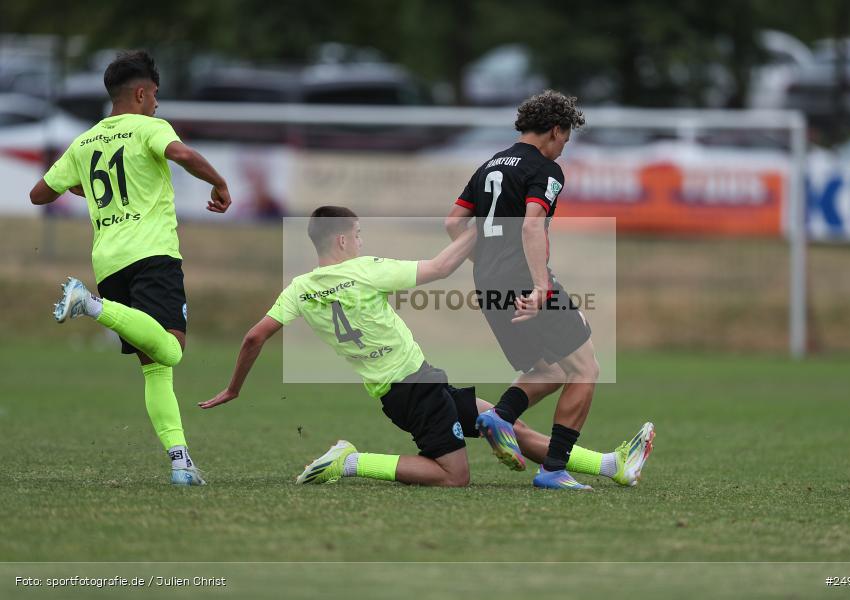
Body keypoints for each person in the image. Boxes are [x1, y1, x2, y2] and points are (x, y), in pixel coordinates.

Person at [199, 206, 642, 489]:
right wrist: (486, 227)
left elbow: (254, 336)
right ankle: (352, 463)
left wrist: (235, 387)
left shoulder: (297, 289)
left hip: (412, 386)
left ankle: (609, 465)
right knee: (454, 477)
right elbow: (442, 266)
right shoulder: (365, 270)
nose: (360, 241)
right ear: (341, 240)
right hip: (415, 389)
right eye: (357, 234)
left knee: (503, 425)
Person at [32, 50, 232, 486]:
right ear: (141, 94)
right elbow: (181, 154)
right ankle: (90, 304)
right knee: (173, 350)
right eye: (156, 95)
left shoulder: (83, 142)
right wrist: (219, 182)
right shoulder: (151, 128)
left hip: (108, 260)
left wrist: (99, 197)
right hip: (152, 255)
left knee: (156, 367)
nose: (158, 104)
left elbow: (39, 194)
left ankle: (180, 462)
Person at [445, 90, 654, 490]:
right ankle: (553, 468)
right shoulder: (545, 169)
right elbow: (531, 225)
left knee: (551, 368)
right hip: (526, 282)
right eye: (566, 140)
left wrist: (489, 264)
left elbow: (454, 224)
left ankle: (500, 415)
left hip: (487, 282)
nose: (563, 150)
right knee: (586, 368)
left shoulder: (489, 164)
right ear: (556, 130)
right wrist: (540, 286)